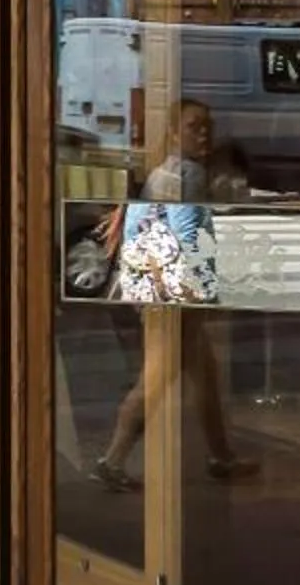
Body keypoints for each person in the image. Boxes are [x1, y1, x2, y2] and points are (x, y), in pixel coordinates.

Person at [94, 98, 259, 489]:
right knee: (155, 378)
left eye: (208, 126)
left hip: (160, 289)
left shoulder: (168, 173)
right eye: (193, 126)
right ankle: (112, 459)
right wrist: (198, 293)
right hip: (172, 294)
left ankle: (221, 456)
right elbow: (186, 238)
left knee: (205, 375)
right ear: (172, 132)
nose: (203, 133)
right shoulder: (186, 177)